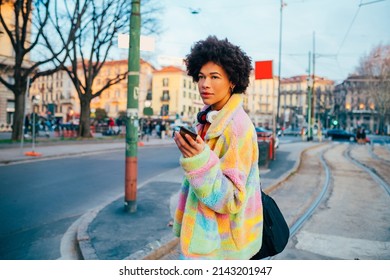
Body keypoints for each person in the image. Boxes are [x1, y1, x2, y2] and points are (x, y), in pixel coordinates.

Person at [173, 36, 263, 259]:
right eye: (201, 76)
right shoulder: (211, 119)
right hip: (210, 238)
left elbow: (232, 198)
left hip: (222, 249)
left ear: (232, 81)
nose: (205, 84)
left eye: (214, 77)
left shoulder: (235, 127)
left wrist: (198, 161)